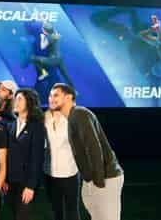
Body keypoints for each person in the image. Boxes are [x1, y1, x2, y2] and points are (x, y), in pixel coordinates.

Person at [48, 83, 124, 220]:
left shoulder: (79, 114)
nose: (51, 99)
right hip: (92, 179)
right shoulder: (71, 117)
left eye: (56, 95)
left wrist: (98, 182)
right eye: (50, 95)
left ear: (68, 97)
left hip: (106, 177)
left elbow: (93, 147)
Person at [4, 88, 45, 220]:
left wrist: (30, 186)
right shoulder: (9, 126)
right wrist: (4, 179)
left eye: (20, 99)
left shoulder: (37, 127)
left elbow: (37, 158)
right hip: (9, 183)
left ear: (29, 102)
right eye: (15, 99)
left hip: (26, 183)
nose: (16, 102)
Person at [30, 22, 75, 88]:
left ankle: (43, 72)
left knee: (33, 58)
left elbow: (42, 47)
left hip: (52, 59)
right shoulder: (55, 33)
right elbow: (50, 27)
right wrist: (43, 21)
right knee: (65, 74)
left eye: (43, 29)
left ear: (45, 31)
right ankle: (73, 88)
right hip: (60, 58)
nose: (42, 30)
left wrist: (42, 38)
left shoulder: (49, 37)